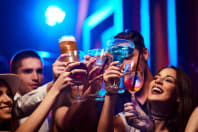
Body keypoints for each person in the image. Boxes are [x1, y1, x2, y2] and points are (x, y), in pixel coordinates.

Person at [98, 30, 153, 132]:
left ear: (144, 54)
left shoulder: (163, 91)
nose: (123, 66)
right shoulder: (116, 100)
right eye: (120, 60)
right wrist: (110, 92)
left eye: (128, 57)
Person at [0, 70, 77, 131]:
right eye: (28, 71)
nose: (8, 99)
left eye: (9, 94)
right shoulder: (18, 106)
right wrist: (54, 89)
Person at [124, 66, 195, 132]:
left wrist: (147, 128)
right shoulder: (126, 121)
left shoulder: (187, 127)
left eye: (168, 80)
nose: (158, 81)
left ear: (179, 95)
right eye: (155, 78)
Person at [49, 54, 103, 132]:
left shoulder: (95, 105)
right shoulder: (60, 109)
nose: (82, 82)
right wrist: (90, 89)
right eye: (76, 80)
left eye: (85, 76)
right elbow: (69, 123)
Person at [10, 50, 51, 131]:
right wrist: (53, 86)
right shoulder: (7, 105)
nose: (35, 78)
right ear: (13, 76)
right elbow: (20, 105)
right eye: (28, 71)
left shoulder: (45, 101)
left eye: (39, 71)